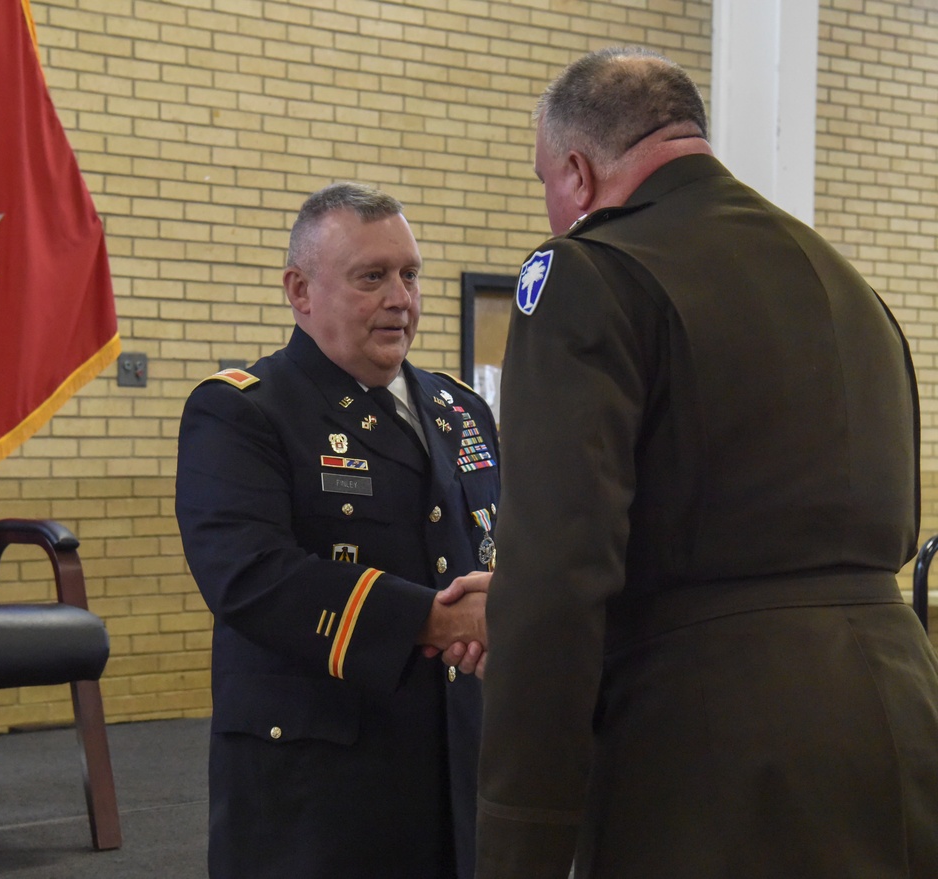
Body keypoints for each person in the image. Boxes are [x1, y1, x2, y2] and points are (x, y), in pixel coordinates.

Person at [475, 46, 938, 879]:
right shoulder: (844, 281)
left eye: (544, 182)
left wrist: (522, 840)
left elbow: (557, 581)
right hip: (902, 716)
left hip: (713, 750)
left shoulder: (590, 273)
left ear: (577, 172)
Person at [176, 182, 499, 879]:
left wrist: (506, 597)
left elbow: (497, 543)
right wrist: (436, 621)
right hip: (318, 774)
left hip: (453, 753)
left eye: (410, 274)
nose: (401, 298)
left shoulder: (460, 409)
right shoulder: (242, 413)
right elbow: (251, 577)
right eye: (372, 277)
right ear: (300, 289)